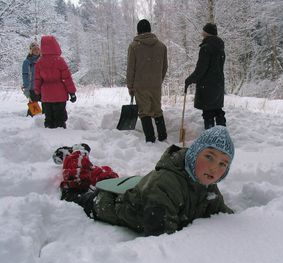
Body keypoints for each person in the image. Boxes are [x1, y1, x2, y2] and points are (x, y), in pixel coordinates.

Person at [60, 126, 235, 237]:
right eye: (209, 156)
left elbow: (221, 212)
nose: (214, 167)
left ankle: (86, 163)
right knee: (77, 187)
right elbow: (160, 234)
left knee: (105, 176)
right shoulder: (166, 184)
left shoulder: (206, 183)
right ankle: (74, 157)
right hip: (109, 205)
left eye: (222, 163)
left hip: (132, 187)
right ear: (194, 153)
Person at [126, 19, 168, 143]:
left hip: (140, 85)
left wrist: (130, 86)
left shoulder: (134, 46)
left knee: (144, 112)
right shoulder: (161, 46)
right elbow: (165, 67)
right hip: (155, 84)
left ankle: (150, 140)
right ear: (150, 29)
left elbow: (130, 68)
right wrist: (158, 80)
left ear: (138, 31)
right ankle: (163, 136)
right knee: (157, 110)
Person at [185, 23, 227, 129]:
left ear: (207, 33)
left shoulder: (206, 48)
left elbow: (200, 70)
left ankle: (210, 137)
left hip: (207, 86)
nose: (202, 34)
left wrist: (189, 80)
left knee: (208, 113)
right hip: (218, 84)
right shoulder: (220, 48)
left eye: (203, 32)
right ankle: (222, 135)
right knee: (218, 110)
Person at [34, 35, 76, 128]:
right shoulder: (60, 61)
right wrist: (72, 92)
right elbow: (67, 78)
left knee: (49, 116)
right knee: (60, 116)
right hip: (60, 94)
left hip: (46, 95)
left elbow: (37, 79)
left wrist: (37, 92)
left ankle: (48, 134)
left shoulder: (39, 62)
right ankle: (60, 133)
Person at [22, 41, 41, 116]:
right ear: (31, 51)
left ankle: (43, 118)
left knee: (46, 102)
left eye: (37, 49)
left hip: (42, 86)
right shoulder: (27, 62)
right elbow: (25, 75)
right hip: (32, 87)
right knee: (33, 103)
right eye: (34, 49)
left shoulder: (42, 60)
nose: (36, 51)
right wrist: (27, 86)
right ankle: (30, 118)